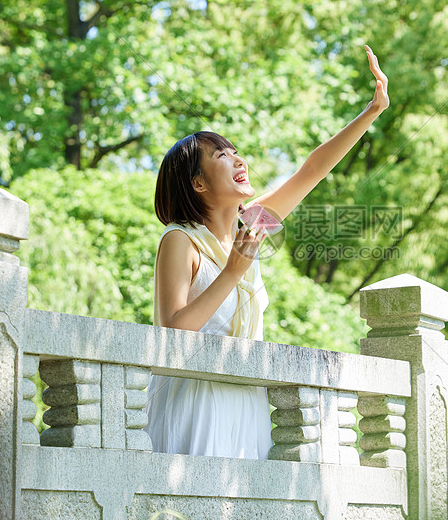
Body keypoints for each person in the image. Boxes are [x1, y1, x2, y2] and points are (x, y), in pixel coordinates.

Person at [145, 44, 389, 459]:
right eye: (222, 155)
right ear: (198, 184)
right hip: (195, 397)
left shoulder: (252, 226)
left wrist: (372, 110)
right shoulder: (179, 240)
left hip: (247, 397)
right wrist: (233, 272)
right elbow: (173, 331)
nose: (239, 159)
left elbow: (311, 170)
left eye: (235, 151)